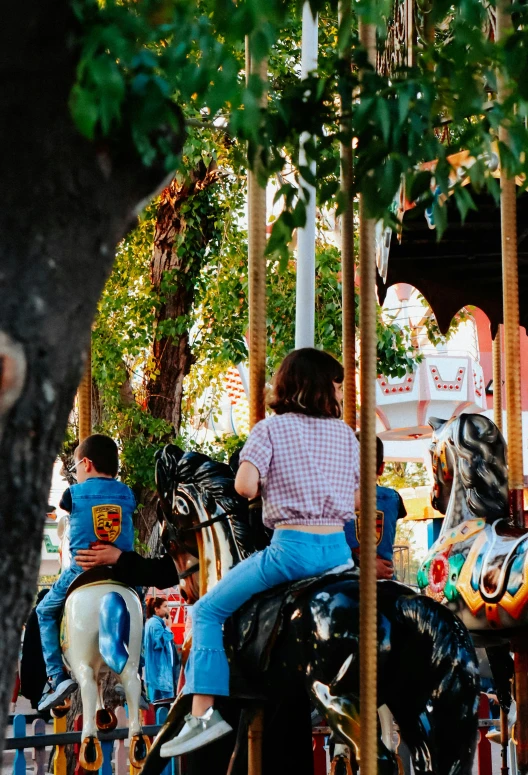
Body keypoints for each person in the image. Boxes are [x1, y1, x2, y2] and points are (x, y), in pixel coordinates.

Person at [158, 347, 360, 758]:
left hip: (292, 551)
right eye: (336, 385)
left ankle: (202, 715)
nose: (339, 393)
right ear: (322, 387)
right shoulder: (347, 435)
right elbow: (356, 497)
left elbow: (244, 487)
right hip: (340, 554)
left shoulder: (270, 430)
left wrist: (275, 485)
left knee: (208, 610)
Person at [36, 434, 136, 711]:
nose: (76, 473)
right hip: (121, 572)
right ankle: (134, 673)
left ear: (88, 464)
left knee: (44, 611)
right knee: (137, 606)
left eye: (76, 467)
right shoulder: (127, 494)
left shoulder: (72, 495)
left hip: (82, 569)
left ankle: (57, 677)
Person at [344, 436, 406, 580]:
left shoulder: (335, 499)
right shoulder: (393, 497)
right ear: (382, 467)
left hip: (348, 573)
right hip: (385, 576)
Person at [144, 597, 176, 702]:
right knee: (166, 702)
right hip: (160, 672)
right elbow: (161, 641)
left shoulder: (153, 623)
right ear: (156, 609)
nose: (168, 609)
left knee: (157, 703)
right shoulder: (155, 624)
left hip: (158, 672)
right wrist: (168, 627)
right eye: (165, 606)